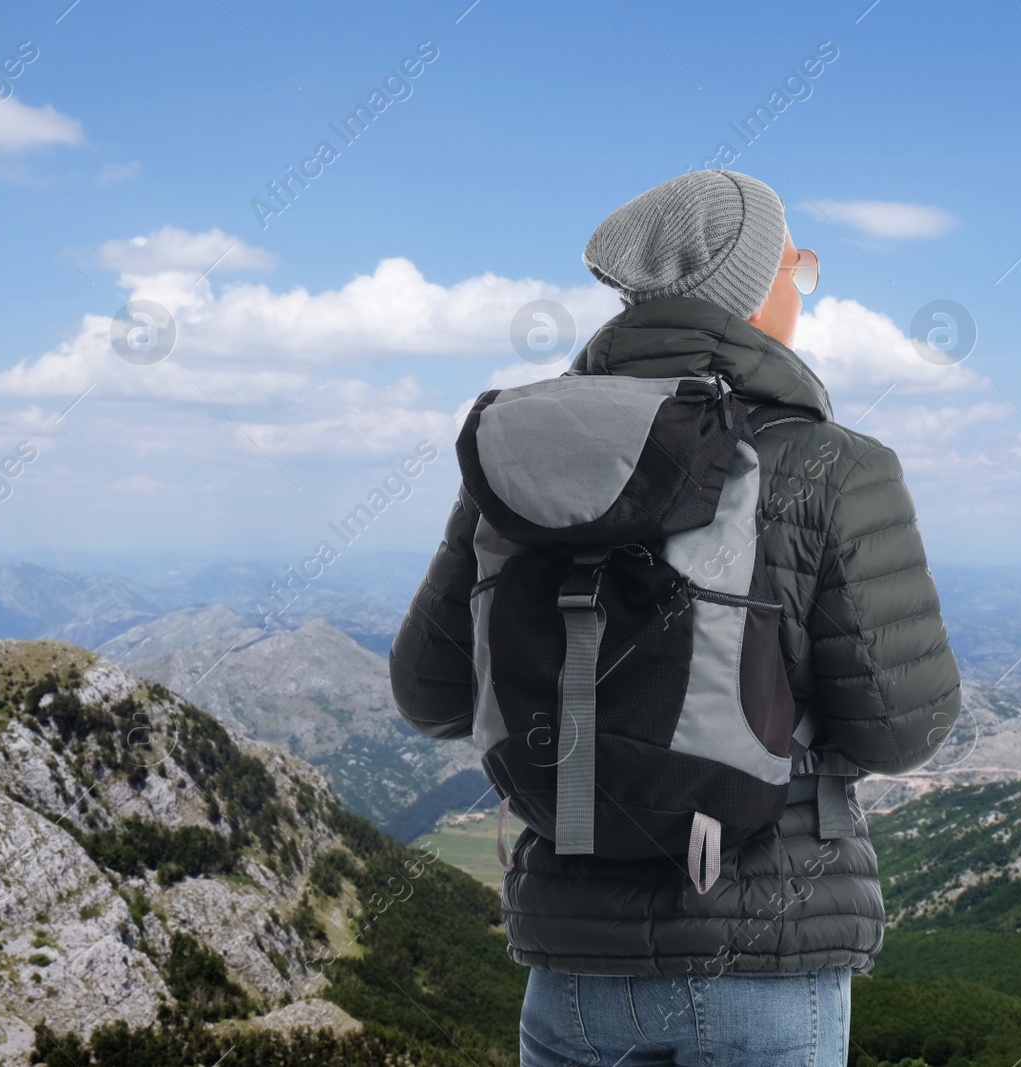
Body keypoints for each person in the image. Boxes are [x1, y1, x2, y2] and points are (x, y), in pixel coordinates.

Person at [390, 170, 961, 1066]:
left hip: (573, 965)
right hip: (767, 962)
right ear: (747, 292)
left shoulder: (520, 461)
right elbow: (903, 727)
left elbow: (428, 693)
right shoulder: (836, 465)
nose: (801, 289)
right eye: (795, 266)